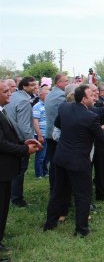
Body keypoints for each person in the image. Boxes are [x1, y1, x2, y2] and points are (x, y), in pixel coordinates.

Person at [43, 84, 104, 237]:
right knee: (83, 195)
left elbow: (59, 125)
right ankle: (82, 230)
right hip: (78, 162)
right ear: (84, 99)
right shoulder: (91, 117)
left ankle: (49, 224)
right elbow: (102, 139)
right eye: (91, 95)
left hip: (61, 158)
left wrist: (94, 128)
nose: (94, 97)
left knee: (58, 192)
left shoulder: (64, 107)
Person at [0, 80, 41, 259]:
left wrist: (22, 142)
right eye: (5, 91)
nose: (10, 93)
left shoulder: (3, 110)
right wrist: (24, 149)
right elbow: (1, 144)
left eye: (10, 90)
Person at [4, 76, 37, 207]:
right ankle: (17, 198)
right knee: (19, 170)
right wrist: (30, 141)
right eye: (32, 85)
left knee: (12, 168)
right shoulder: (23, 101)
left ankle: (11, 195)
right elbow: (24, 125)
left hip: (10, 136)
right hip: (20, 139)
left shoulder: (15, 96)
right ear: (24, 86)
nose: (35, 87)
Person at [44, 74, 69, 194]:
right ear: (58, 83)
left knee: (53, 162)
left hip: (49, 133)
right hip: (56, 134)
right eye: (65, 82)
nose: (67, 84)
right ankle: (56, 189)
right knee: (57, 164)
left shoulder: (50, 93)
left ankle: (53, 188)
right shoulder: (60, 96)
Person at [32, 85, 50, 178]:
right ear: (40, 95)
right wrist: (39, 135)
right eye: (46, 93)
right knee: (40, 155)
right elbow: (35, 122)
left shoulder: (48, 105)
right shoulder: (37, 106)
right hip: (41, 134)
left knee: (47, 155)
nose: (48, 95)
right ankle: (39, 174)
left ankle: (45, 171)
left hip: (47, 134)